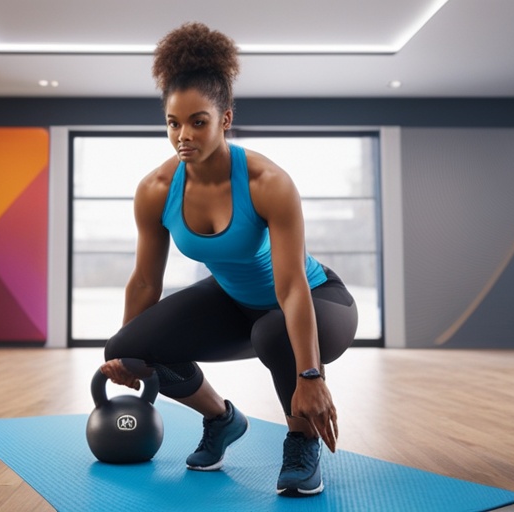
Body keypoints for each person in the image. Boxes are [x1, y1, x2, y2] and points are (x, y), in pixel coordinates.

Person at [100, 21, 358, 497]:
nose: (183, 135)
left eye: (198, 121)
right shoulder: (156, 190)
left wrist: (311, 375)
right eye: (173, 123)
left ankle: (300, 442)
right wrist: (127, 355)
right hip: (235, 301)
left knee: (273, 330)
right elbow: (142, 282)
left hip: (317, 301)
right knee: (127, 347)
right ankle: (221, 419)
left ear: (225, 119)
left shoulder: (266, 181)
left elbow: (291, 287)